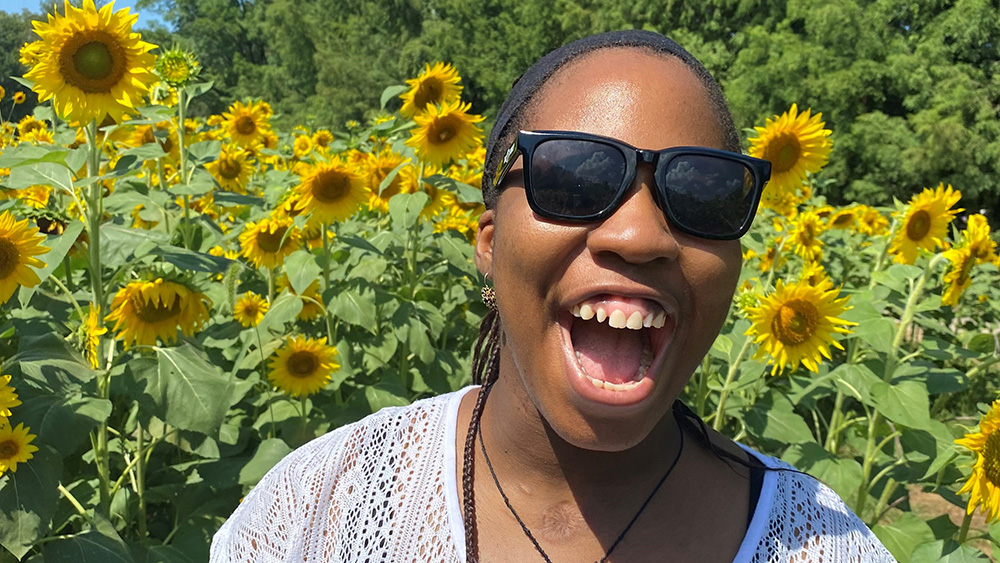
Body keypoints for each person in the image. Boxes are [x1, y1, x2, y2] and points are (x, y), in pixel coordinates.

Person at [210, 30, 896, 562]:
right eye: (573, 179)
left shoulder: (820, 543)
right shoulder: (326, 508)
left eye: (702, 193)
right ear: (487, 240)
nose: (638, 233)